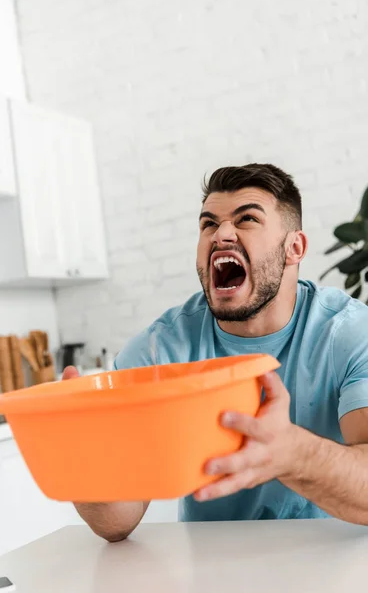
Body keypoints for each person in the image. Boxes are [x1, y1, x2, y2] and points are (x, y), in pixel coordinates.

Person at [64, 163, 368, 542]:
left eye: (247, 220)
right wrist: (83, 460)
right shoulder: (162, 348)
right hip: (211, 570)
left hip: (335, 563)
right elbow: (117, 522)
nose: (222, 233)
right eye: (208, 224)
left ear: (294, 248)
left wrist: (292, 453)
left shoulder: (350, 332)